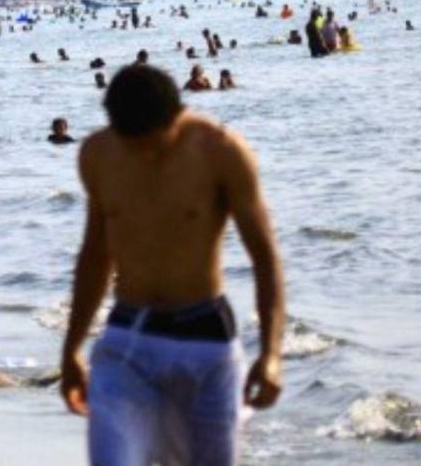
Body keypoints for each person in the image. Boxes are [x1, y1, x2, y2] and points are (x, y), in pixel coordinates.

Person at [60, 65, 285, 464]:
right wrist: (71, 349)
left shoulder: (222, 151)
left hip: (206, 344)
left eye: (153, 142)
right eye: (131, 142)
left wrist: (270, 355)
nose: (143, 153)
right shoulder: (98, 152)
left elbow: (265, 258)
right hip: (127, 341)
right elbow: (95, 255)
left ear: (177, 116)